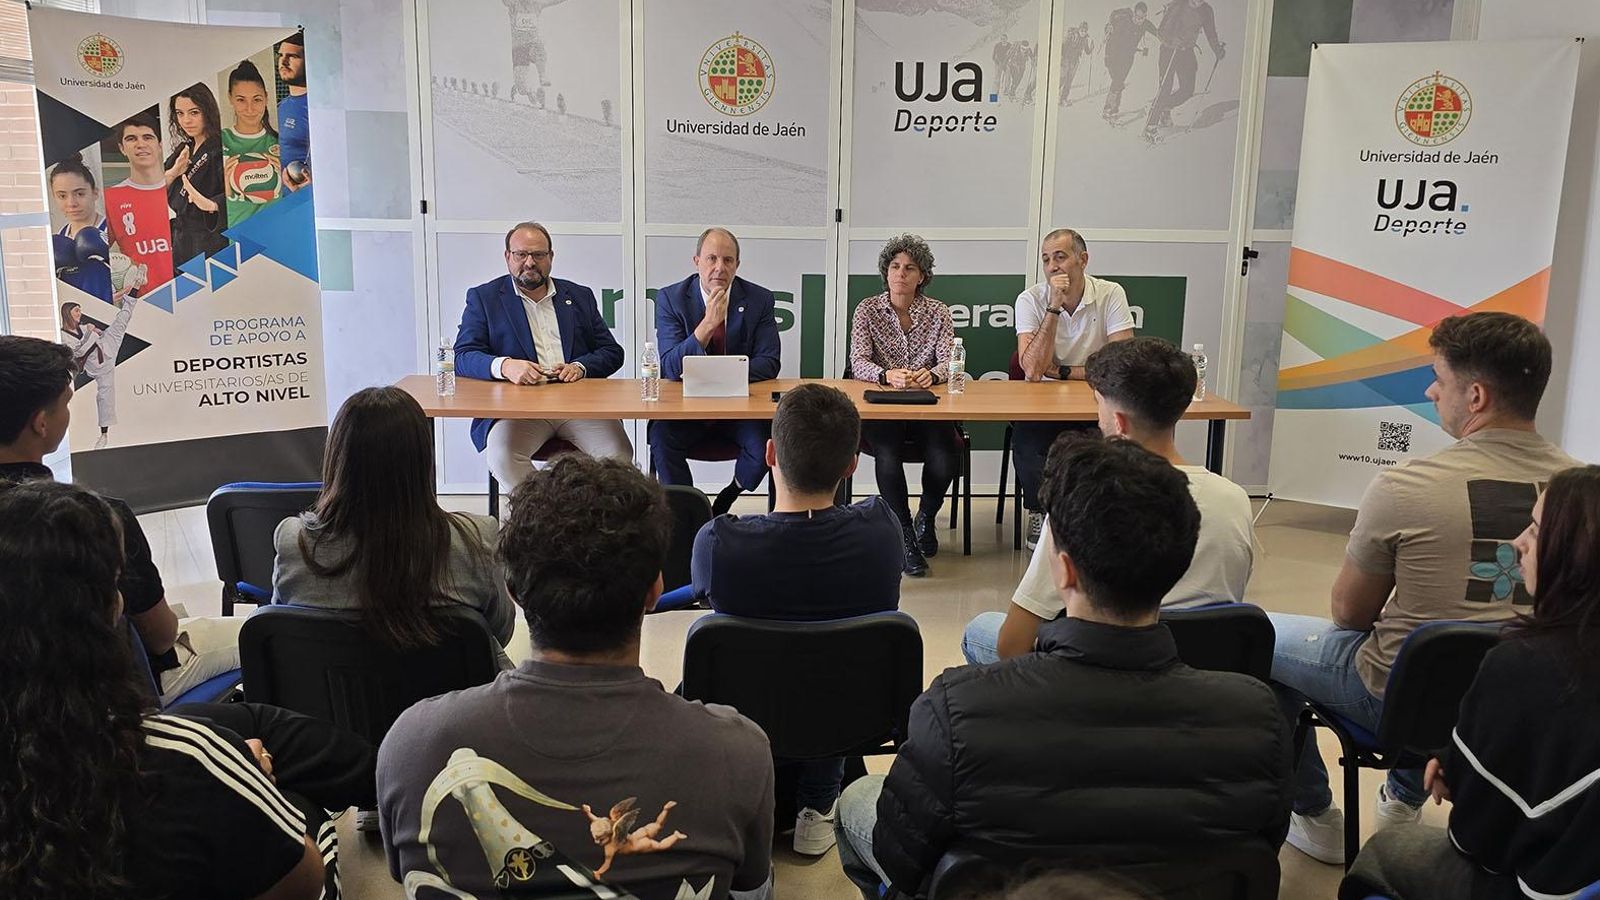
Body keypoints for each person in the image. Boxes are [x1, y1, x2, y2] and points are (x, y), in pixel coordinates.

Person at [834, 437, 1291, 899]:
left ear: (1065, 571)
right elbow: (1261, 850)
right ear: (1177, 564)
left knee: (856, 799)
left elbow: (901, 856)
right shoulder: (1258, 715)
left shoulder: (957, 709)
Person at [378, 456, 775, 899]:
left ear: (512, 589)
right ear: (655, 590)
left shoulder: (411, 747)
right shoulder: (738, 753)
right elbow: (749, 886)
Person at [1271, 311, 1578, 866]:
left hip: (1395, 698)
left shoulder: (1405, 485)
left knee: (1257, 637)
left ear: (1477, 395)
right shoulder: (1579, 493)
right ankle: (1402, 800)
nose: (1430, 389)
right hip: (1523, 702)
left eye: (1439, 377)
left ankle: (1314, 814)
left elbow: (1349, 613)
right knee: (1451, 660)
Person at [0, 478, 373, 900]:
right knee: (303, 810)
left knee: (246, 723)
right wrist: (254, 785)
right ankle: (391, 786)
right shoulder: (184, 760)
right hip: (211, 781)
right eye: (116, 584)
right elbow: (303, 885)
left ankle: (380, 778)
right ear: (104, 616)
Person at [1339, 465, 1600, 900]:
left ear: (1575, 555)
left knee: (1386, 849)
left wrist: (1465, 775)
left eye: (1534, 531)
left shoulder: (1521, 666)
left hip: (1538, 888)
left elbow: (1476, 842)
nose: (1517, 544)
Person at [664, 383, 901, 855]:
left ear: (769, 454)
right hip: (850, 714)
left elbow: (696, 591)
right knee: (829, 667)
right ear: (854, 462)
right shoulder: (884, 529)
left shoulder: (718, 542)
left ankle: (745, 815)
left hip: (746, 711)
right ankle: (818, 808)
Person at [963, 336, 1254, 664]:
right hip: (1203, 680)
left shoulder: (1082, 499)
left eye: (1098, 404)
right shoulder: (1236, 501)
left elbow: (1012, 645)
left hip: (1090, 678)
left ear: (1119, 422)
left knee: (980, 630)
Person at [0, 335, 243, 705]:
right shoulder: (92, 519)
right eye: (66, 403)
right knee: (261, 632)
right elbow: (160, 638)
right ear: (40, 424)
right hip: (105, 703)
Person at [272, 387, 517, 668]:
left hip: (329, 704)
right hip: (449, 705)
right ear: (423, 461)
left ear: (337, 459)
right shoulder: (475, 539)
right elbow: (501, 630)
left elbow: (285, 627)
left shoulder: (294, 542)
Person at [454, 221, 632, 490]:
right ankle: (542, 520)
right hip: (517, 410)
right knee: (502, 457)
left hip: (579, 406)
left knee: (618, 456)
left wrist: (581, 366)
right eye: (521, 254)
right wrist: (505, 366)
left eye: (538, 255)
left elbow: (612, 352)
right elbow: (464, 356)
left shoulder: (579, 296)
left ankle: (587, 524)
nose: (529, 262)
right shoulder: (484, 298)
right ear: (507, 257)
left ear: (551, 257)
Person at [1012, 227, 1135, 549]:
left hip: (1096, 398)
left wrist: (1063, 371)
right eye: (1046, 259)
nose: (1052, 266)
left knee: (1114, 441)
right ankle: (1042, 512)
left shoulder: (1110, 294)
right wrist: (1053, 306)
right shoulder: (1030, 300)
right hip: (1042, 399)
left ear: (1083, 259)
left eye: (1060, 257)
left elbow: (1120, 360)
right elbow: (1034, 370)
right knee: (1027, 443)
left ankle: (1095, 516)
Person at [651, 226, 783, 515]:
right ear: (696, 261)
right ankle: (688, 513)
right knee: (661, 441)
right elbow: (671, 366)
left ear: (737, 264)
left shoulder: (759, 299)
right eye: (711, 259)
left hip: (739, 406)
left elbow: (770, 362)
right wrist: (707, 326)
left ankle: (730, 492)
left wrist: (708, 372)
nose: (719, 268)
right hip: (688, 407)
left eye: (728, 260)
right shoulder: (671, 298)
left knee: (766, 445)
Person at [849, 233, 959, 576]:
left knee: (945, 457)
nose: (901, 273)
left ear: (922, 276)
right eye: (895, 266)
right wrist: (885, 375)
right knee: (888, 455)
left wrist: (934, 374)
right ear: (886, 273)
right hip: (883, 402)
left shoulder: (938, 312)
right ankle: (905, 534)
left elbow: (950, 361)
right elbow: (857, 362)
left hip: (928, 403)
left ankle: (926, 515)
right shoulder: (867, 309)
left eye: (910, 268)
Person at [104, 112, 173, 294]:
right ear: (122, 148)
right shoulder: (111, 198)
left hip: (195, 298)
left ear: (160, 145)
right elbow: (95, 254)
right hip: (145, 305)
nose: (141, 144)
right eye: (131, 138)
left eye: (147, 137)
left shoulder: (181, 188)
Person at [60, 297, 138, 450]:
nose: (80, 313)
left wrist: (97, 332)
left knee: (121, 321)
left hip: (107, 346)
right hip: (99, 366)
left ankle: (135, 290)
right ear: (67, 313)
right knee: (105, 396)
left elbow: (97, 336)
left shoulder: (82, 327)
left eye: (80, 310)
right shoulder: (64, 335)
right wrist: (90, 333)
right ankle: (104, 434)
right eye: (76, 310)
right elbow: (79, 351)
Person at [164, 82, 229, 265]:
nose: (186, 121)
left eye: (194, 112)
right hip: (180, 241)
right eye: (180, 113)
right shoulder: (183, 150)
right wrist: (173, 172)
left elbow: (239, 194)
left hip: (210, 242)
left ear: (207, 112)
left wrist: (212, 204)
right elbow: (153, 190)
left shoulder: (222, 148)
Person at [1143, 0, 1224, 137]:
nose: (1197, 2)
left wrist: (1217, 49)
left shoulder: (1206, 11)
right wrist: (1172, 40)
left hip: (1186, 51)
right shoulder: (1177, 5)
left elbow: (1211, 33)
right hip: (1169, 50)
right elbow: (1161, 32)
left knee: (1187, 90)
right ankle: (1151, 126)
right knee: (1165, 87)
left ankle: (1164, 107)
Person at [48, 153, 116, 305]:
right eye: (62, 196)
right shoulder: (57, 240)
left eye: (79, 193)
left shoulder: (115, 232)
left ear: (95, 193)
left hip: (116, 321)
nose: (71, 203)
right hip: (79, 326)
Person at [222, 59, 283, 225]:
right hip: (236, 241)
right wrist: (225, 189)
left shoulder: (281, 143)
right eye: (241, 100)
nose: (250, 109)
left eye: (257, 100)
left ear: (266, 98)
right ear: (230, 98)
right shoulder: (219, 142)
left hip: (274, 237)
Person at [1102, 2, 1157, 118]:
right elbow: (1111, 40)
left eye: (1142, 18)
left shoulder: (1145, 24)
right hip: (1114, 55)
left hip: (1128, 58)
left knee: (1119, 81)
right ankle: (1108, 109)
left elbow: (1158, 33)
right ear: (1133, 14)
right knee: (1118, 81)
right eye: (1137, 17)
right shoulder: (1124, 22)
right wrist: (1107, 56)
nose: (1139, 20)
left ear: (1146, 16)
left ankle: (1112, 109)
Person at [276, 32, 312, 191]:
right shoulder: (280, 107)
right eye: (281, 55)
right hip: (283, 203)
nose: (283, 62)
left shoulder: (317, 107)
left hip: (307, 202)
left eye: (292, 56)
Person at [1059, 22, 1094, 103]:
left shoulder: (1085, 39)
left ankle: (1063, 98)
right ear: (1079, 29)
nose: (1083, 32)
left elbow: (1087, 51)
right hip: (1066, 59)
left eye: (1085, 31)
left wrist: (1091, 47)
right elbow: (1063, 45)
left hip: (1075, 61)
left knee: (1069, 80)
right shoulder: (1072, 35)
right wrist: (1062, 57)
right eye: (1082, 30)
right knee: (1063, 77)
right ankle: (1053, 93)